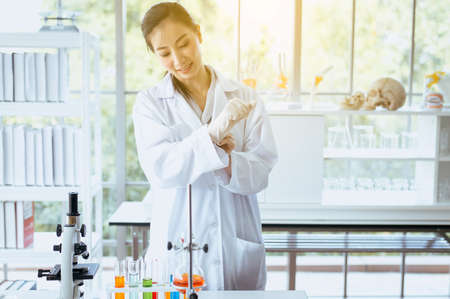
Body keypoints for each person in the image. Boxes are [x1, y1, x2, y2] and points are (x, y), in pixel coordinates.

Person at [133, 2, 278, 290]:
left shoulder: (243, 96)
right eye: (164, 53)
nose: (178, 58)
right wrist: (211, 136)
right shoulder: (150, 103)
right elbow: (161, 169)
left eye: (183, 43)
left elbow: (262, 170)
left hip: (233, 247)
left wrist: (226, 160)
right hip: (176, 247)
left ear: (198, 33)